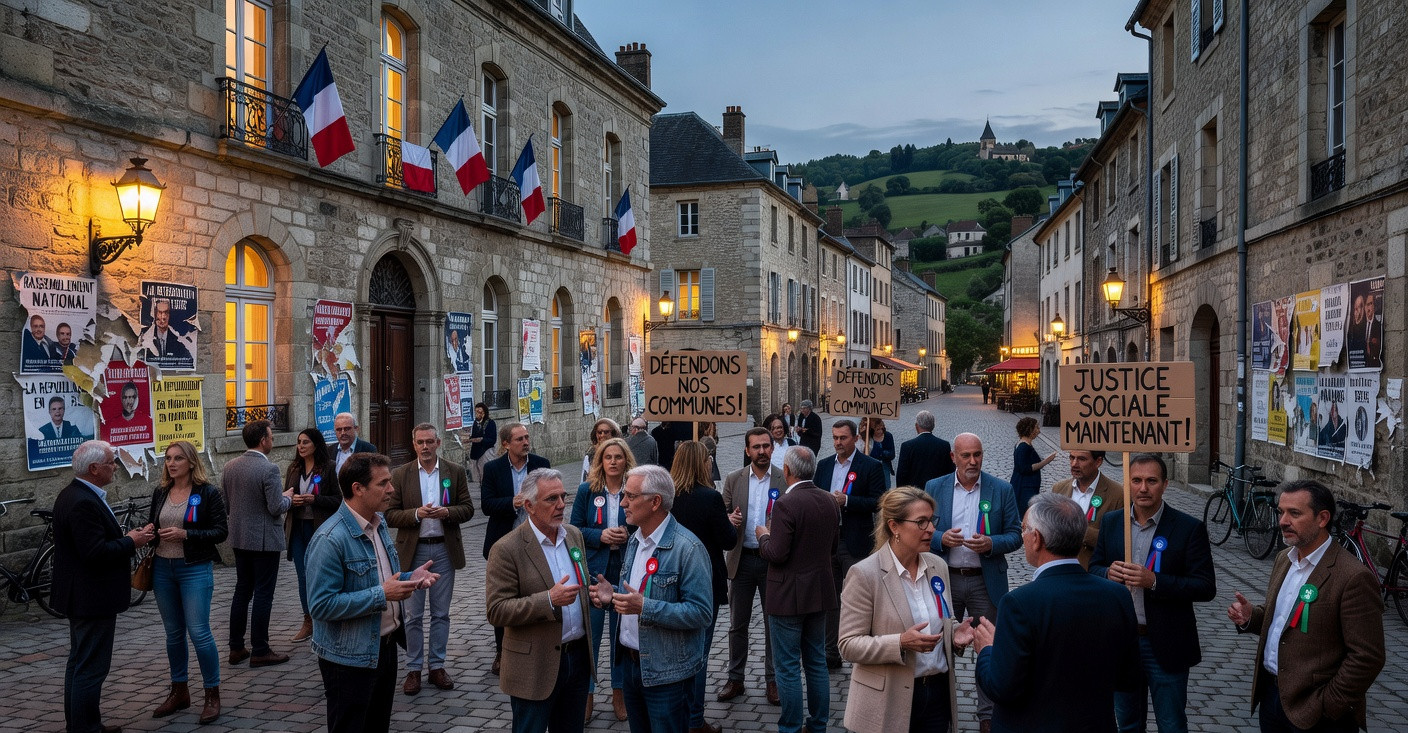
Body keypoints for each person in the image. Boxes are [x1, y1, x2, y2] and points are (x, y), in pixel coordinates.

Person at [971, 493, 1139, 733]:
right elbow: (1128, 678)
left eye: (1024, 530)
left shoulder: (1019, 603)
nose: (1022, 536)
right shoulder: (1117, 595)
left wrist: (987, 650)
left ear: (1037, 539)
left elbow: (1002, 688)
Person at [1226, 480, 1384, 733]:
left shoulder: (1353, 577)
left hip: (1316, 712)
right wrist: (1250, 617)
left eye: (1294, 513)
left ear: (1322, 518)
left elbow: (1368, 657)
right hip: (1272, 698)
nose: (1282, 521)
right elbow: (1282, 620)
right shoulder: (1284, 559)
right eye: (1281, 512)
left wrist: (1327, 705)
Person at [306, 452, 439, 733]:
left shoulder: (377, 524)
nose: (391, 489)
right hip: (348, 657)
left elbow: (379, 577)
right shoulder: (330, 539)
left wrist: (409, 578)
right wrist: (383, 594)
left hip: (385, 648)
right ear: (358, 489)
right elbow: (321, 606)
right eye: (383, 483)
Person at [1089, 454, 1216, 733]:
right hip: (1123, 641)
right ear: (1128, 484)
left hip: (1165, 643)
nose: (1143, 488)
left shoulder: (1188, 528)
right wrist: (1107, 573)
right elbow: (1094, 568)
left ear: (1165, 484)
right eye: (1136, 480)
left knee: (1171, 723)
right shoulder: (1112, 522)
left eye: (1151, 481)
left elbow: (1205, 587)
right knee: (1128, 723)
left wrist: (1155, 581)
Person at [589, 464, 713, 733]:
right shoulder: (634, 541)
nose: (623, 503)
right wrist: (613, 598)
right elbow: (633, 597)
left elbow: (702, 613)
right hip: (632, 667)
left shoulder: (687, 548)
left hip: (667, 674)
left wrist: (646, 607)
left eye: (630, 496)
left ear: (655, 502)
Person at [839, 487, 974, 733]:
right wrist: (900, 642)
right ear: (894, 527)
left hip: (937, 693)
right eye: (921, 522)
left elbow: (944, 617)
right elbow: (848, 644)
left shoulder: (938, 566)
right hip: (888, 698)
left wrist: (954, 633)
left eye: (932, 520)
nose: (931, 529)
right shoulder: (864, 574)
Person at [52, 440, 155, 733]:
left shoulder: (77, 494)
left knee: (79, 662)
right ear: (94, 468)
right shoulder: (82, 500)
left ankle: (83, 724)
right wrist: (131, 541)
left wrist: (127, 538)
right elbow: (94, 553)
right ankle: (86, 728)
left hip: (83, 594)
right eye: (111, 462)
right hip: (91, 596)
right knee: (90, 667)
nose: (116, 466)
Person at [922, 432, 1022, 732]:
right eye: (965, 455)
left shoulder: (1000, 489)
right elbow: (922, 527)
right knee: (938, 644)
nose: (973, 461)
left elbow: (1016, 534)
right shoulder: (934, 487)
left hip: (984, 581)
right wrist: (940, 538)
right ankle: (937, 707)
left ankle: (987, 715)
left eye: (977, 454)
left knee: (988, 647)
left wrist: (992, 543)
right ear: (954, 457)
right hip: (944, 580)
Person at [486, 468, 595, 733]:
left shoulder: (573, 535)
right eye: (551, 499)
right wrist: (548, 600)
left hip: (577, 658)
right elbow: (497, 611)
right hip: (534, 666)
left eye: (563, 496)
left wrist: (595, 594)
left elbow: (581, 584)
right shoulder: (506, 548)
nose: (561, 505)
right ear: (529, 506)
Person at [386, 424, 475, 695]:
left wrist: (447, 513)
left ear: (438, 442)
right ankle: (413, 668)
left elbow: (469, 508)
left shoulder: (454, 471)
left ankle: (436, 665)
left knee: (441, 613)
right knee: (412, 615)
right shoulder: (401, 474)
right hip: (413, 552)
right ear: (413, 445)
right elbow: (390, 514)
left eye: (429, 442)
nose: (425, 447)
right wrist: (417, 514)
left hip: (443, 550)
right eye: (420, 442)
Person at [756, 446, 839, 733]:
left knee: (788, 666)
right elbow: (833, 548)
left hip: (787, 596)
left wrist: (764, 537)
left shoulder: (786, 505)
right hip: (819, 591)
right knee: (816, 661)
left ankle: (790, 727)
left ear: (787, 471)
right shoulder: (830, 500)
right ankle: (818, 725)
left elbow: (777, 553)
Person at [146, 440, 228, 724]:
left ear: (191, 462)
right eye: (168, 458)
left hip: (193, 568)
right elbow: (154, 524)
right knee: (173, 634)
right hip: (162, 569)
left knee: (199, 632)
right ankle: (179, 690)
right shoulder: (161, 492)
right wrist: (149, 531)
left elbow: (220, 531)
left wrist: (187, 535)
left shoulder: (207, 493)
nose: (171, 463)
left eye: (178, 458)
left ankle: (211, 693)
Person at [669, 441, 737, 733]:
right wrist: (730, 522)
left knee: (673, 651)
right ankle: (695, 720)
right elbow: (727, 541)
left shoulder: (666, 496)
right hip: (702, 581)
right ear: (701, 463)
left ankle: (675, 713)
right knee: (698, 654)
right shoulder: (710, 497)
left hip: (670, 579)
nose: (711, 462)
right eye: (708, 458)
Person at [570, 437, 637, 722]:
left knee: (620, 637)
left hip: (624, 569)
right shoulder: (587, 490)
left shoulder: (634, 490)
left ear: (626, 461)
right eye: (607, 457)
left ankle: (619, 693)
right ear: (600, 461)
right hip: (594, 572)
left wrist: (627, 534)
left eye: (617, 457)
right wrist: (600, 536)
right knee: (591, 637)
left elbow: (645, 526)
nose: (612, 461)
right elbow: (573, 529)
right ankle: (586, 694)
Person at [815, 419, 888, 668]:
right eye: (835, 438)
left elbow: (878, 502)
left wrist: (847, 500)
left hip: (855, 539)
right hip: (826, 540)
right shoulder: (824, 466)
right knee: (830, 597)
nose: (838, 443)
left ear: (856, 438)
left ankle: (863, 649)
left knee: (859, 597)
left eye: (843, 438)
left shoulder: (870, 466)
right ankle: (830, 653)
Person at [718, 427, 784, 706]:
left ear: (772, 448)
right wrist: (728, 519)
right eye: (756, 447)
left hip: (773, 562)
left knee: (774, 625)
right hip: (741, 559)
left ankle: (773, 681)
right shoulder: (734, 479)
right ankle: (735, 678)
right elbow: (719, 514)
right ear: (747, 450)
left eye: (766, 446)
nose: (761, 452)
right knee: (737, 625)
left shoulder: (784, 478)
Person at [223, 419, 293, 668]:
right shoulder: (269, 469)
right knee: (264, 593)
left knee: (242, 591)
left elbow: (228, 504)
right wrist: (289, 498)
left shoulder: (230, 466)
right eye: (271, 437)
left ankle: (236, 646)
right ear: (263, 440)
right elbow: (275, 507)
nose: (272, 440)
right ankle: (260, 649)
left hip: (240, 538)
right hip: (264, 540)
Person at [481, 422, 550, 674]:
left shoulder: (541, 465)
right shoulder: (493, 469)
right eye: (519, 438)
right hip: (503, 544)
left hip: (536, 542)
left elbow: (551, 499)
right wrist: (512, 502)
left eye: (527, 437)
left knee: (536, 596)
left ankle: (537, 649)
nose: (525, 442)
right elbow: (487, 505)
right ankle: (502, 652)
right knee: (503, 600)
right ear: (506, 444)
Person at [282, 428, 342, 643]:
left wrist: (314, 500)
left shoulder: (329, 468)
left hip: (320, 529)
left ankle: (326, 618)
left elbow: (337, 500)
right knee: (303, 575)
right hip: (298, 527)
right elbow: (286, 494)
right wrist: (293, 500)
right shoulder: (294, 468)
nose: (301, 446)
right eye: (299, 442)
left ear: (316, 445)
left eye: (305, 442)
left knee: (322, 574)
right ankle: (308, 620)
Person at [1051, 450, 1125, 568]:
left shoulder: (1118, 494)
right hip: (1061, 571)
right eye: (1071, 457)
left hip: (1094, 574)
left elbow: (1118, 542)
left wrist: (1078, 531)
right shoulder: (1059, 488)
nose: (1074, 464)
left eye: (1081, 459)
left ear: (1098, 461)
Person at [895, 410, 955, 490]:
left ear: (917, 426)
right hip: (937, 490)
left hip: (915, 492)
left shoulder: (907, 446)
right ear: (933, 426)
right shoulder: (944, 445)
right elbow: (950, 471)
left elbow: (902, 474)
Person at [1008, 417, 1054, 517]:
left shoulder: (1025, 444)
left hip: (1027, 484)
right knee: (1024, 512)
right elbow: (1024, 468)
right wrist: (1046, 461)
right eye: (1036, 428)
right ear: (1030, 429)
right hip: (1025, 486)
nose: (1039, 431)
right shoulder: (1023, 446)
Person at [141, 298, 192, 365]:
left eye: (166, 312)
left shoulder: (179, 341)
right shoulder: (143, 337)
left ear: (169, 315)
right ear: (154, 314)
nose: (163, 317)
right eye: (159, 312)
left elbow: (189, 361)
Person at [581, 418, 622, 483]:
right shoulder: (590, 455)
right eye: (600, 432)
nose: (602, 435)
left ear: (613, 433)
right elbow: (583, 479)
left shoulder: (621, 451)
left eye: (606, 432)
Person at [465, 403, 497, 484]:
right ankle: (482, 491)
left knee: (486, 475)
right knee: (477, 476)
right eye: (476, 412)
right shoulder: (475, 423)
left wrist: (481, 439)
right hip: (476, 451)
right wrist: (469, 438)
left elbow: (492, 439)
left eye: (480, 412)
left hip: (486, 451)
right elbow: (473, 436)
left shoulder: (490, 423)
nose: (478, 414)